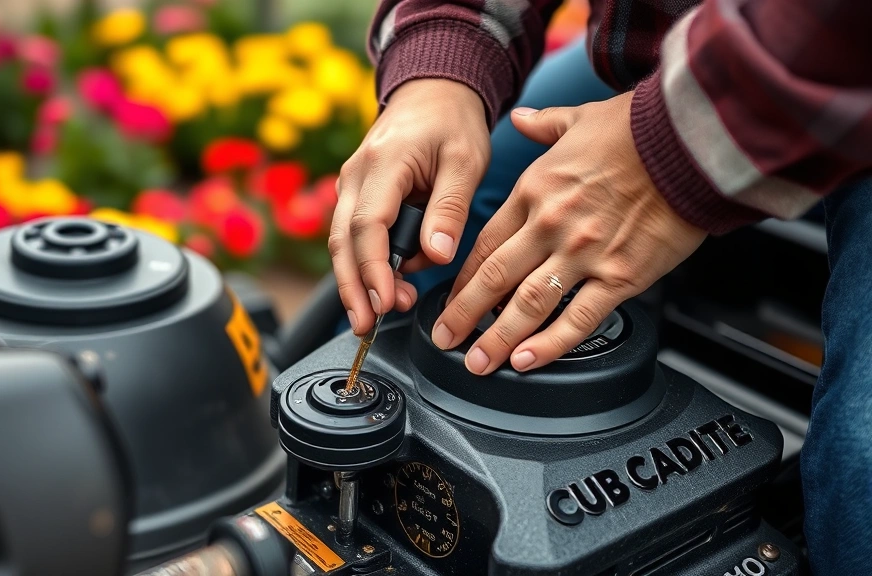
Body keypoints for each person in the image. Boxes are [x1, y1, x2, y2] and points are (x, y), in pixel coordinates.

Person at [328, 0, 872, 573]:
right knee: (443, 230)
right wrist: (442, 63)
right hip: (679, 48)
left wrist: (675, 153)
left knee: (858, 464)